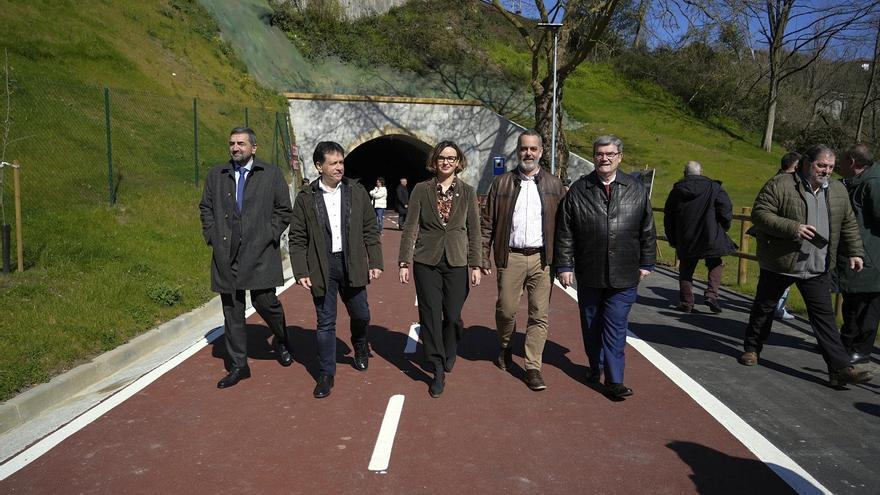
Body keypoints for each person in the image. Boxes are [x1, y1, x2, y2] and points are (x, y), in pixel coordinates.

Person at [739, 144, 872, 387]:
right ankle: (752, 348)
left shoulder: (838, 191)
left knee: (824, 320)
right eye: (821, 165)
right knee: (764, 309)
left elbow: (849, 224)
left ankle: (839, 369)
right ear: (806, 163)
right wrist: (794, 228)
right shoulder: (781, 184)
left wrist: (855, 252)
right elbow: (760, 214)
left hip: (817, 265)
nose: (826, 171)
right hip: (781, 262)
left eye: (831, 167)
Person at [555, 135, 657, 400]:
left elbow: (647, 229)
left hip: (624, 273)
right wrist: (565, 265)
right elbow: (565, 231)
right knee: (591, 325)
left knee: (615, 325)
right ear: (594, 157)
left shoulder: (636, 189)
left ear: (619, 157)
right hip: (590, 272)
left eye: (610, 154)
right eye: (600, 154)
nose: (605, 158)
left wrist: (646, 262)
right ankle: (595, 364)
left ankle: (614, 380)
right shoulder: (579, 190)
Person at [199, 127, 293, 389]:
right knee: (232, 311)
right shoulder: (217, 175)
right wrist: (212, 235)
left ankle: (282, 338)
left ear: (254, 147)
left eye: (241, 143)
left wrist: (269, 235)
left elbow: (283, 211)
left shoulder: (271, 174)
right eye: (232, 143)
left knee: (266, 302)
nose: (235, 147)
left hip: (261, 252)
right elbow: (205, 207)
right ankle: (239, 365)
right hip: (226, 253)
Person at [289, 141, 384, 398]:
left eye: (341, 162)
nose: (339, 167)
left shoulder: (356, 191)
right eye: (334, 163)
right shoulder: (306, 198)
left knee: (361, 314)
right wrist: (301, 271)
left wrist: (375, 261)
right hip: (322, 266)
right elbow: (297, 237)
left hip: (351, 262)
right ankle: (326, 373)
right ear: (319, 166)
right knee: (325, 322)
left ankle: (360, 343)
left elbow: (369, 230)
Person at [480, 129, 565, 391]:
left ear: (541, 151)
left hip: (542, 258)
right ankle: (505, 347)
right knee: (506, 310)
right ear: (517, 151)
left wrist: (564, 263)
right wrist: (483, 255)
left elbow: (564, 227)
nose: (528, 153)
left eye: (533, 149)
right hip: (512, 257)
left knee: (539, 314)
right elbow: (487, 223)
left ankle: (532, 367)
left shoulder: (554, 185)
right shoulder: (502, 183)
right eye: (523, 149)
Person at [398, 140, 482, 398]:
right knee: (431, 314)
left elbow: (474, 229)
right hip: (427, 261)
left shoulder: (467, 192)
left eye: (451, 158)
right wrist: (404, 261)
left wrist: (476, 263)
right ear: (435, 161)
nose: (446, 162)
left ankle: (450, 346)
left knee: (453, 315)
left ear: (458, 162)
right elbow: (411, 226)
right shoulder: (421, 190)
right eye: (442, 158)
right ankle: (436, 367)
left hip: (456, 260)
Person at [664, 161, 737, 314]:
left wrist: (672, 238)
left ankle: (687, 302)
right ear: (701, 171)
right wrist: (723, 227)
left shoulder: (677, 191)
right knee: (715, 263)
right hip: (710, 233)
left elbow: (668, 217)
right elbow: (726, 209)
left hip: (686, 236)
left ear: (684, 173)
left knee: (686, 270)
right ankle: (711, 294)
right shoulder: (713, 187)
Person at [836, 144, 880, 365]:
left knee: (867, 308)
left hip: (871, 258)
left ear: (852, 161)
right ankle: (847, 343)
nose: (838, 165)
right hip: (858, 256)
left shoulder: (873, 183)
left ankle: (861, 350)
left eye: (842, 161)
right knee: (852, 303)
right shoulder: (859, 182)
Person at [774, 152, 801, 321]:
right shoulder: (784, 183)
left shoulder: (778, 180)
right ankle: (777, 307)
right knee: (784, 274)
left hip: (783, 235)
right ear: (796, 166)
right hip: (784, 236)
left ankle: (777, 305)